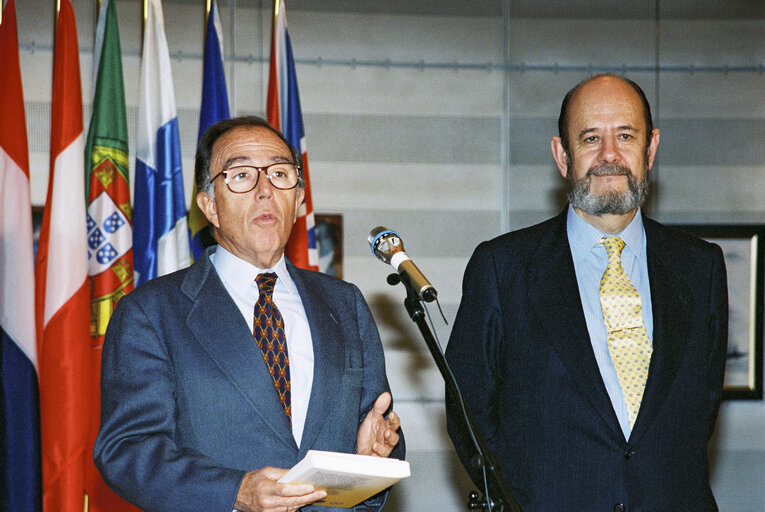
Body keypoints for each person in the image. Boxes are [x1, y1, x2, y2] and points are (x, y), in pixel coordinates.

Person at [445, 74, 728, 512]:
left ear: (650, 149)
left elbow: (699, 414)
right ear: (563, 155)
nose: (610, 155)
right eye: (591, 138)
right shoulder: (502, 268)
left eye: (626, 136)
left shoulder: (701, 267)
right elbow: (469, 417)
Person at [94, 116, 404, 512]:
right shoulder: (151, 312)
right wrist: (234, 491)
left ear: (298, 200)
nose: (264, 190)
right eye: (241, 175)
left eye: (279, 174)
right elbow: (127, 450)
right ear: (209, 206)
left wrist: (376, 455)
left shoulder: (344, 304)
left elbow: (375, 430)